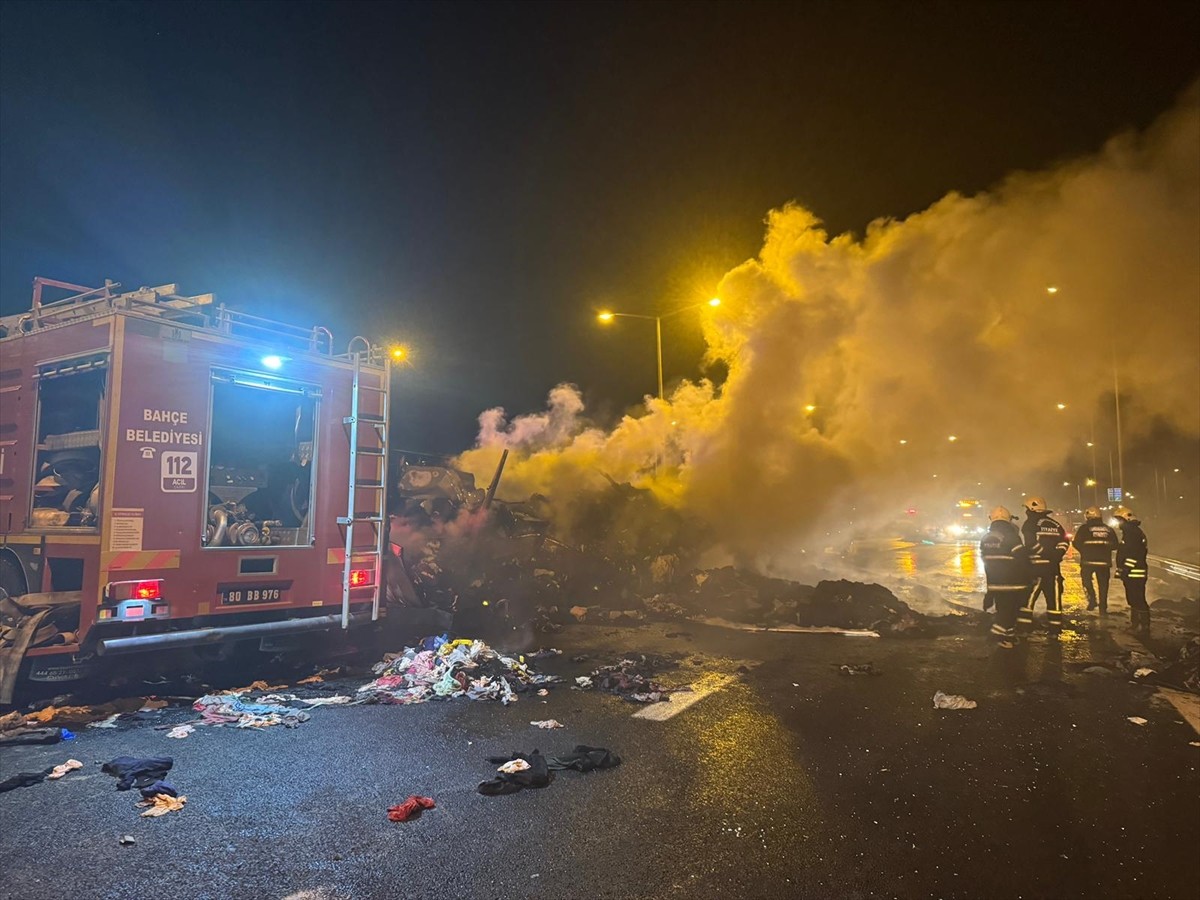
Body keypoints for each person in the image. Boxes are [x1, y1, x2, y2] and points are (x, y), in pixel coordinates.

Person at [980, 506, 1031, 649]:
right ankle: (996, 635)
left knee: (1003, 610)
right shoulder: (1012, 537)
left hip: (996, 584)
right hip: (1013, 584)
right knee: (1010, 613)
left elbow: (986, 563)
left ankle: (1008, 637)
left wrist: (990, 590)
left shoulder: (985, 539)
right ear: (1008, 520)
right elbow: (1022, 560)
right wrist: (1029, 579)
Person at [1018, 496, 1069, 631]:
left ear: (1031, 509)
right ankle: (1055, 630)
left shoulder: (1030, 524)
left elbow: (1031, 544)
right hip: (1053, 570)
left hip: (1035, 569)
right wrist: (1056, 555)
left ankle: (1023, 628)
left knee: (1028, 600)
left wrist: (1043, 553)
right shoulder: (1055, 524)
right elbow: (1064, 542)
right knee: (1054, 602)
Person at [1071, 506, 1119, 613]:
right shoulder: (1108, 529)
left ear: (1088, 516)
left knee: (1086, 581)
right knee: (1103, 585)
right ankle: (1103, 606)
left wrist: (1084, 551)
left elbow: (1076, 543)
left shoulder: (1084, 529)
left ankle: (1092, 600)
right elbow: (1115, 545)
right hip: (1104, 563)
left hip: (1088, 561)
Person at [1113, 506, 1150, 637]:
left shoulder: (1132, 533)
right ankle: (1136, 624)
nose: (1118, 523)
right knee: (1133, 599)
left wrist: (1125, 568)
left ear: (1126, 519)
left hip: (1135, 572)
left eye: (1119, 520)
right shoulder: (1131, 532)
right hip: (1132, 572)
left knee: (1138, 599)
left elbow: (1134, 554)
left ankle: (1143, 627)